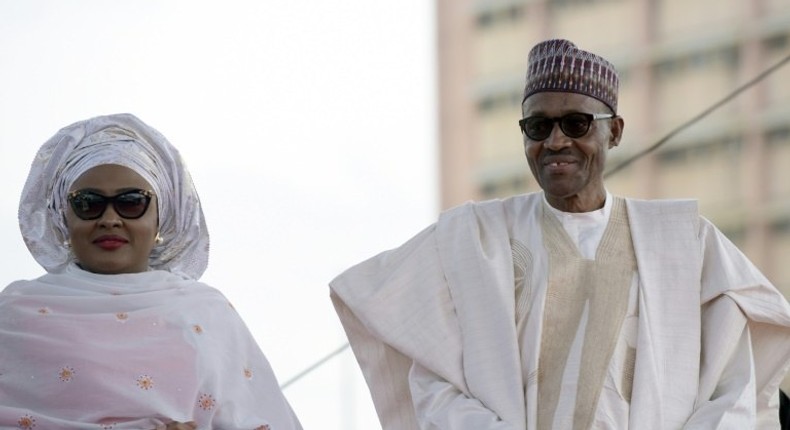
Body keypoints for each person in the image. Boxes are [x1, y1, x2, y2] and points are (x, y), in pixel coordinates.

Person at [329, 39, 790, 429]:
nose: (554, 142)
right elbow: (433, 380)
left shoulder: (685, 243)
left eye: (576, 123)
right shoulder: (475, 239)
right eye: (538, 126)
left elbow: (733, 387)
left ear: (615, 132)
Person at [0, 113, 303, 430]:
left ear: (162, 217)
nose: (110, 219)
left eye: (131, 202)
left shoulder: (205, 313)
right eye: (88, 203)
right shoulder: (14, 314)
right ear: (64, 217)